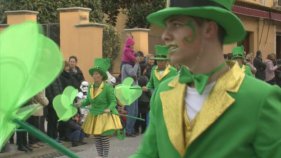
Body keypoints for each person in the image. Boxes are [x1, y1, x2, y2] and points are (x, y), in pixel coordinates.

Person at [130, 0, 281, 158]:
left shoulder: (260, 99)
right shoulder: (164, 91)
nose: (165, 35)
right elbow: (146, 154)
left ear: (209, 29)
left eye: (176, 24)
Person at [81, 58, 122, 158]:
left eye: (97, 74)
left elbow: (113, 101)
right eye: (94, 74)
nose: (95, 76)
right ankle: (100, 156)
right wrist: (79, 104)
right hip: (94, 115)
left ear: (102, 75)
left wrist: (109, 108)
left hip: (104, 115)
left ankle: (105, 156)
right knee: (97, 137)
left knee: (104, 137)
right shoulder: (91, 87)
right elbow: (88, 101)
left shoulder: (107, 87)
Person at [121, 52, 140, 137]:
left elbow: (136, 76)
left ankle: (131, 129)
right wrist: (136, 64)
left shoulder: (130, 65)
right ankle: (128, 131)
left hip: (134, 90)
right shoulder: (127, 65)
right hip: (129, 91)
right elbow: (133, 73)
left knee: (135, 112)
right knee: (131, 112)